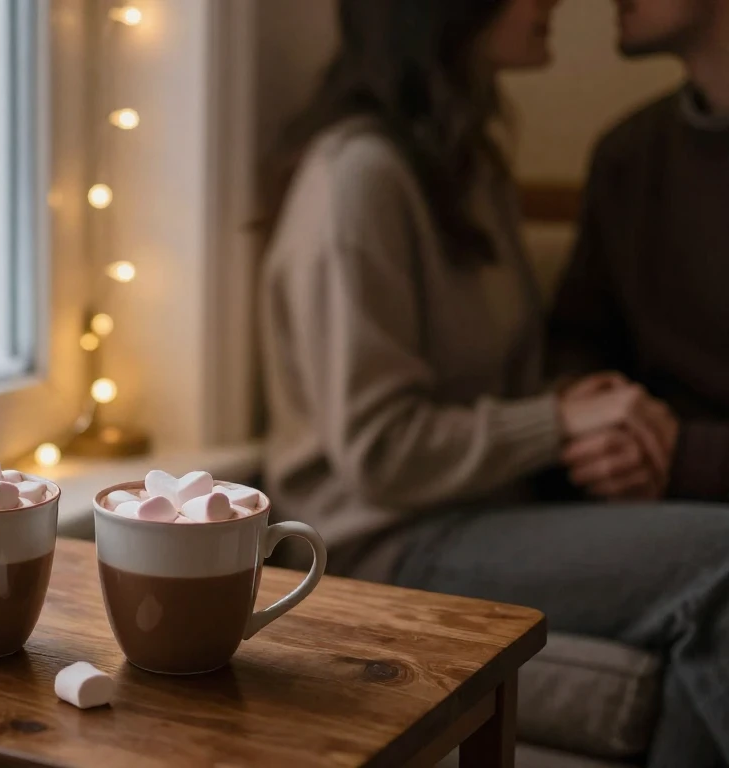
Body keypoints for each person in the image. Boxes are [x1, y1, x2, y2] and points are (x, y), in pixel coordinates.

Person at [259, 1, 729, 765]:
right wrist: (560, 421)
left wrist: (603, 426)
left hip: (484, 509)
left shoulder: (464, 165)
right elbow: (378, 451)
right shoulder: (359, 176)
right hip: (383, 540)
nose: (554, 1)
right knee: (720, 560)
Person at [549, 0, 729, 502]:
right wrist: (599, 419)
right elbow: (577, 338)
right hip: (637, 505)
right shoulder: (627, 154)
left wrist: (685, 455)